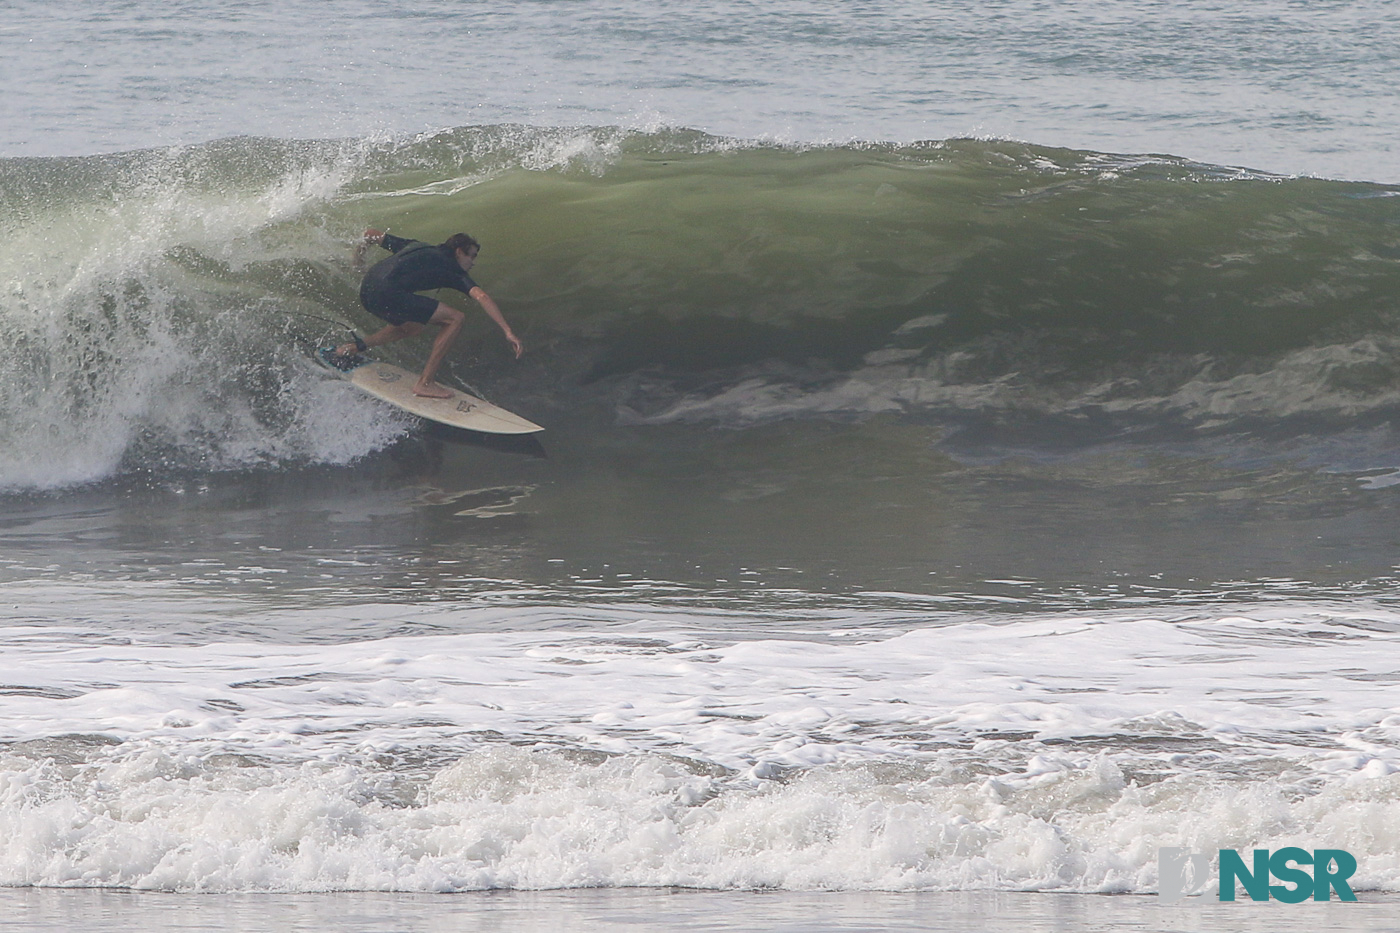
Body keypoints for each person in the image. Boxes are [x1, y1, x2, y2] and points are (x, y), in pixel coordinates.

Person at [328, 228, 523, 399]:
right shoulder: (454, 270)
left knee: (412, 327)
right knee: (455, 318)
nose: (472, 263)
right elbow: (482, 297)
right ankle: (425, 383)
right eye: (471, 256)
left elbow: (370, 234)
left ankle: (352, 348)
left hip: (368, 289)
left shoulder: (417, 246)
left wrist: (358, 260)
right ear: (458, 252)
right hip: (388, 293)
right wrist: (507, 330)